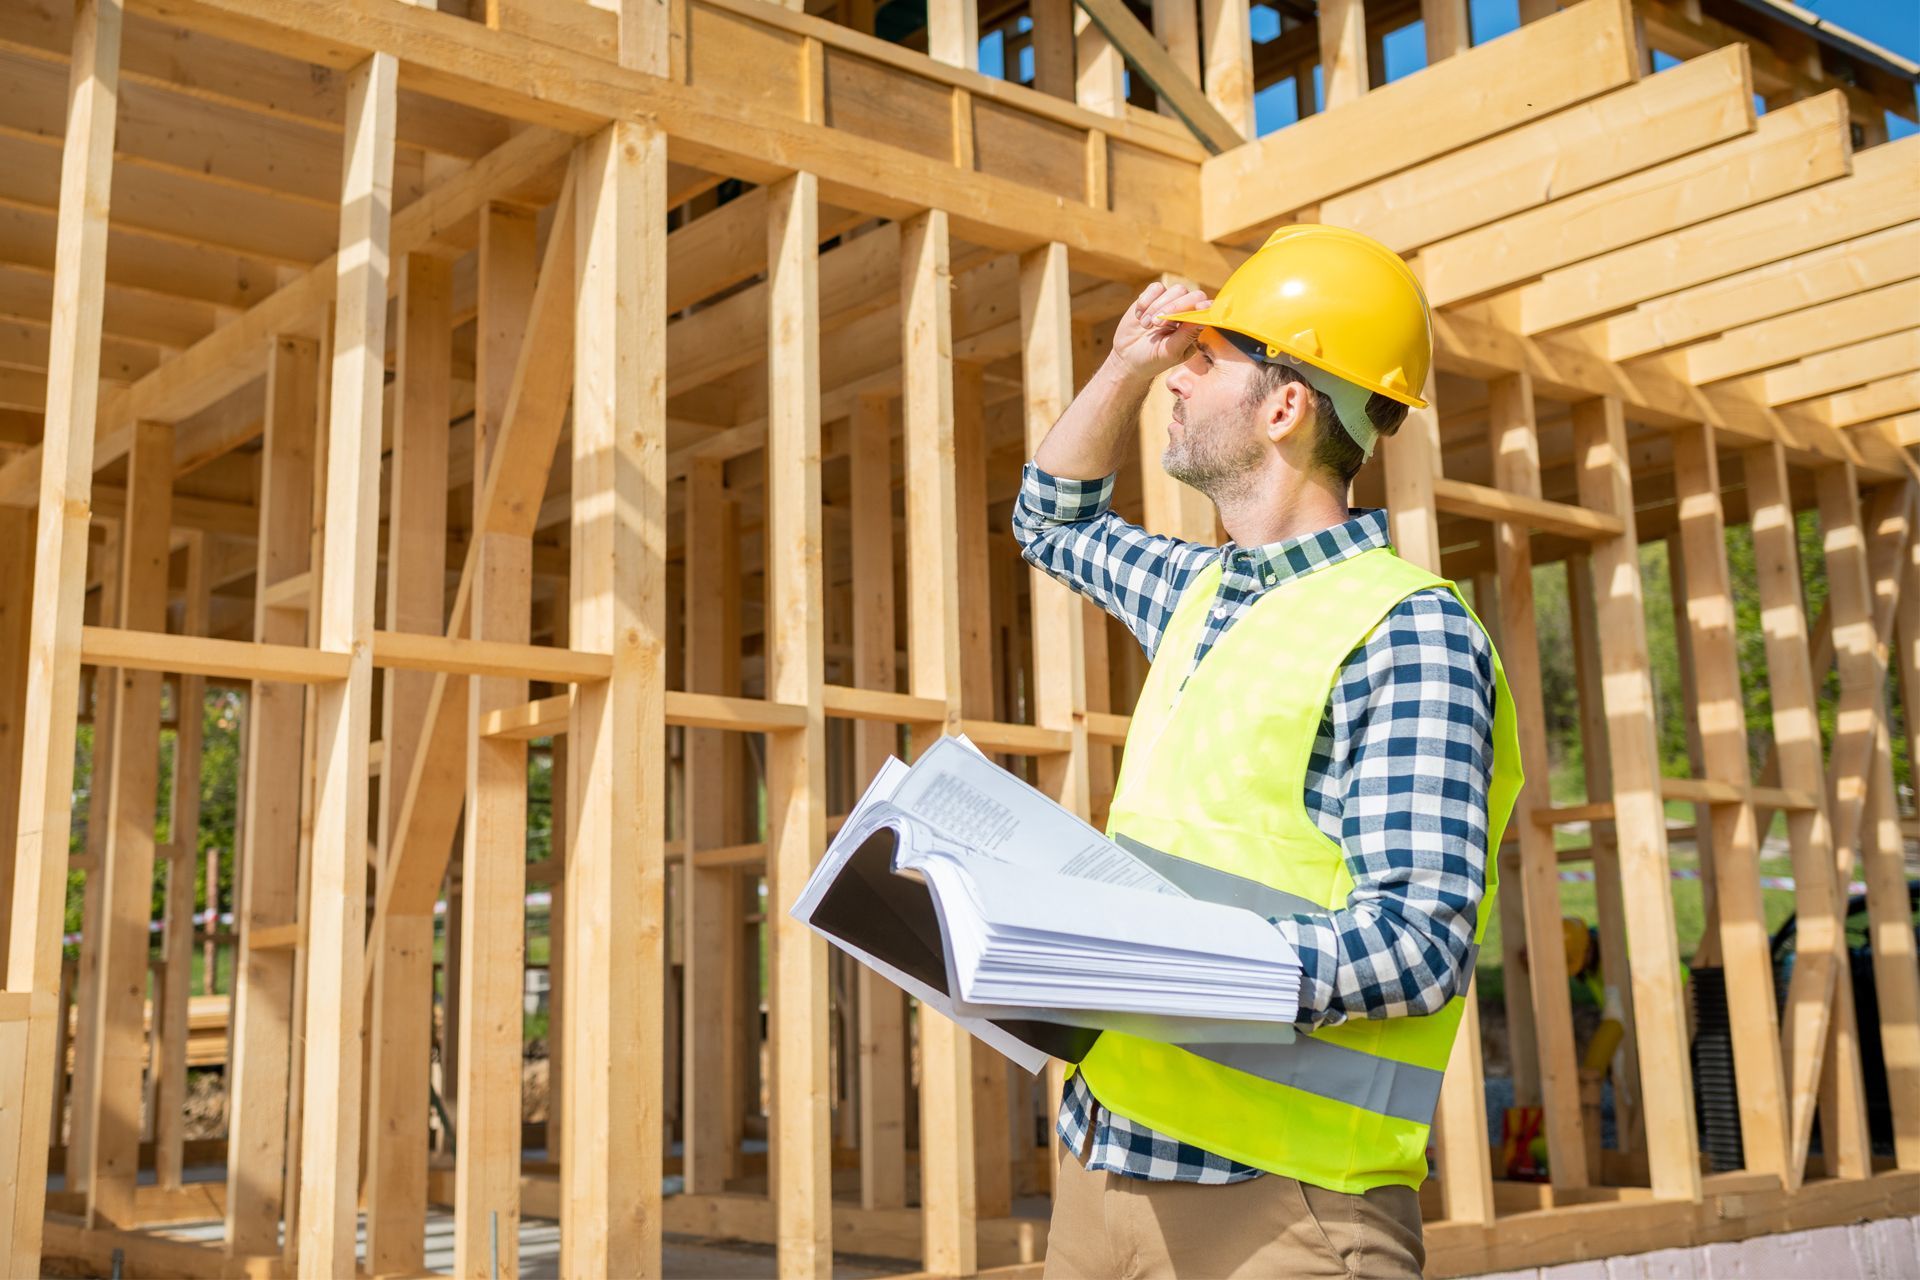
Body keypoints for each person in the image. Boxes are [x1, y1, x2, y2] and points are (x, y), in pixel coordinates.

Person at [1013, 225, 1523, 1279]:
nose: (1179, 378)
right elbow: (1049, 518)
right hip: (1103, 1159)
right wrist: (1125, 361)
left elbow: (1419, 942)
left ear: (1284, 406)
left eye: (1206, 362)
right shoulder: (1203, 592)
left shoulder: (1406, 627)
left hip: (1283, 1210)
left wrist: (1163, 963)